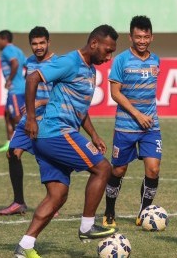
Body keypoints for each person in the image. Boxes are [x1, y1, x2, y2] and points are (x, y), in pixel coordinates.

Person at [13, 24, 119, 258]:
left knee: (57, 195)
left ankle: (25, 245)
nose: (109, 56)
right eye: (107, 50)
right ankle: (87, 226)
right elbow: (32, 79)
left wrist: (93, 134)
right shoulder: (70, 61)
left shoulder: (91, 70)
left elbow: (80, 109)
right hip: (56, 133)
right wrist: (31, 118)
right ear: (94, 44)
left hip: (55, 136)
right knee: (103, 168)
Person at [102, 15, 162, 228]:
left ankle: (144, 212)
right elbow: (115, 93)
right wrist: (137, 114)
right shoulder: (121, 60)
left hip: (151, 126)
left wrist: (146, 117)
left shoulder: (156, 60)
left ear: (151, 37)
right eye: (138, 37)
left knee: (153, 170)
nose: (142, 41)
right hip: (126, 125)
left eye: (146, 37)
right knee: (118, 171)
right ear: (130, 37)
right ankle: (109, 211)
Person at [0, 26, 58, 216]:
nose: (38, 47)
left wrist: (41, 101)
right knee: (12, 153)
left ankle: (53, 204)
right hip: (30, 118)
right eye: (34, 43)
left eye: (42, 43)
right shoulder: (30, 62)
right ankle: (19, 202)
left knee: (48, 159)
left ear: (49, 42)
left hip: (51, 117)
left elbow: (64, 96)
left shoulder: (58, 63)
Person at [0, 30, 26, 152]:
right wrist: (24, 80)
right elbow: (28, 66)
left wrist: (9, 80)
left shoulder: (7, 50)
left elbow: (15, 63)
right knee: (8, 114)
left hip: (15, 90)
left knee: (17, 117)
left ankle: (29, 140)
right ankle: (9, 142)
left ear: (4, 39)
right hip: (21, 88)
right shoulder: (18, 50)